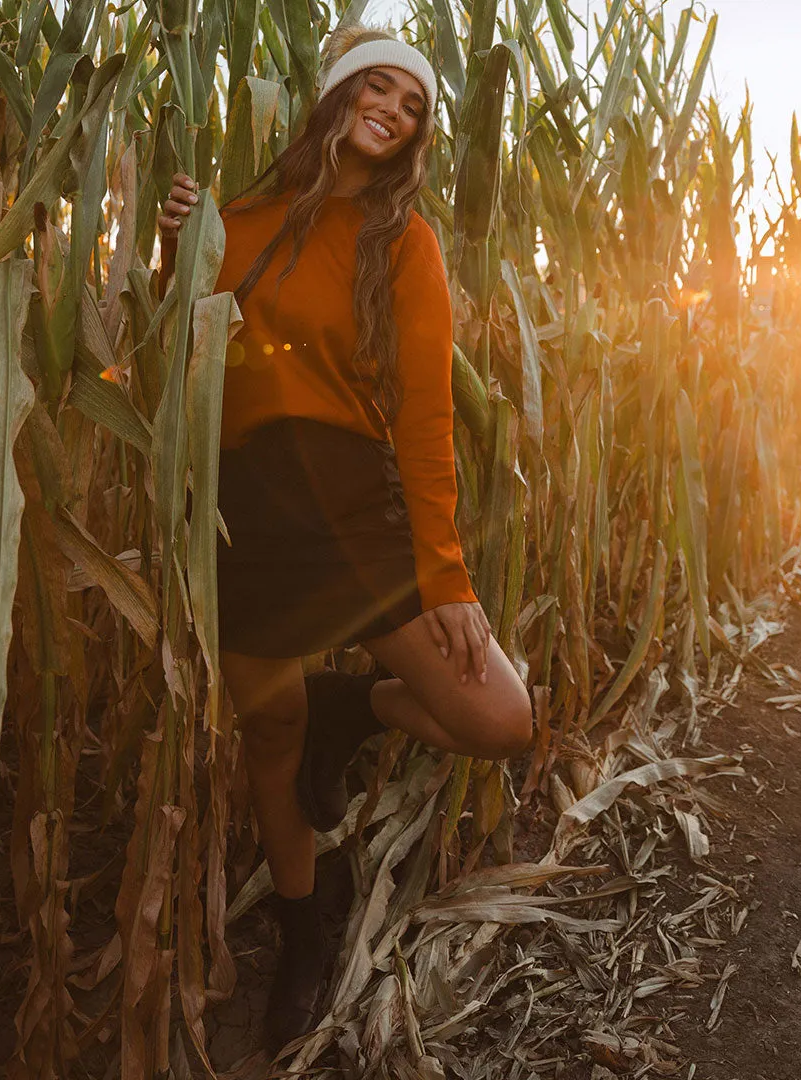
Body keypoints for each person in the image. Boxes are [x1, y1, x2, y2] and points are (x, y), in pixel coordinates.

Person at [158, 25, 533, 1055]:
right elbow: (176, 350)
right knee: (268, 738)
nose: (395, 111)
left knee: (499, 716)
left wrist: (446, 576)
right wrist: (177, 244)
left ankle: (351, 703)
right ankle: (304, 917)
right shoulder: (241, 220)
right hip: (251, 503)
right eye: (378, 88)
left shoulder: (404, 243)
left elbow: (424, 414)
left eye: (413, 105)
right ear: (336, 98)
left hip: (360, 508)